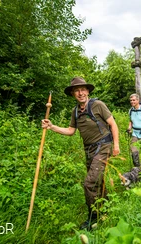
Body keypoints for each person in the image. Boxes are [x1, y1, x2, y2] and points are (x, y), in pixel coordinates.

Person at [41, 77, 120, 231]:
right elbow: (71, 131)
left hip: (104, 145)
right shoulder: (75, 111)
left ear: (88, 91)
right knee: (97, 180)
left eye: (83, 89)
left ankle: (93, 217)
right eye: (76, 90)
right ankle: (107, 208)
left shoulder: (98, 105)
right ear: (72, 94)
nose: (80, 93)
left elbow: (113, 124)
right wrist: (52, 126)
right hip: (89, 149)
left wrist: (116, 145)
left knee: (89, 183)